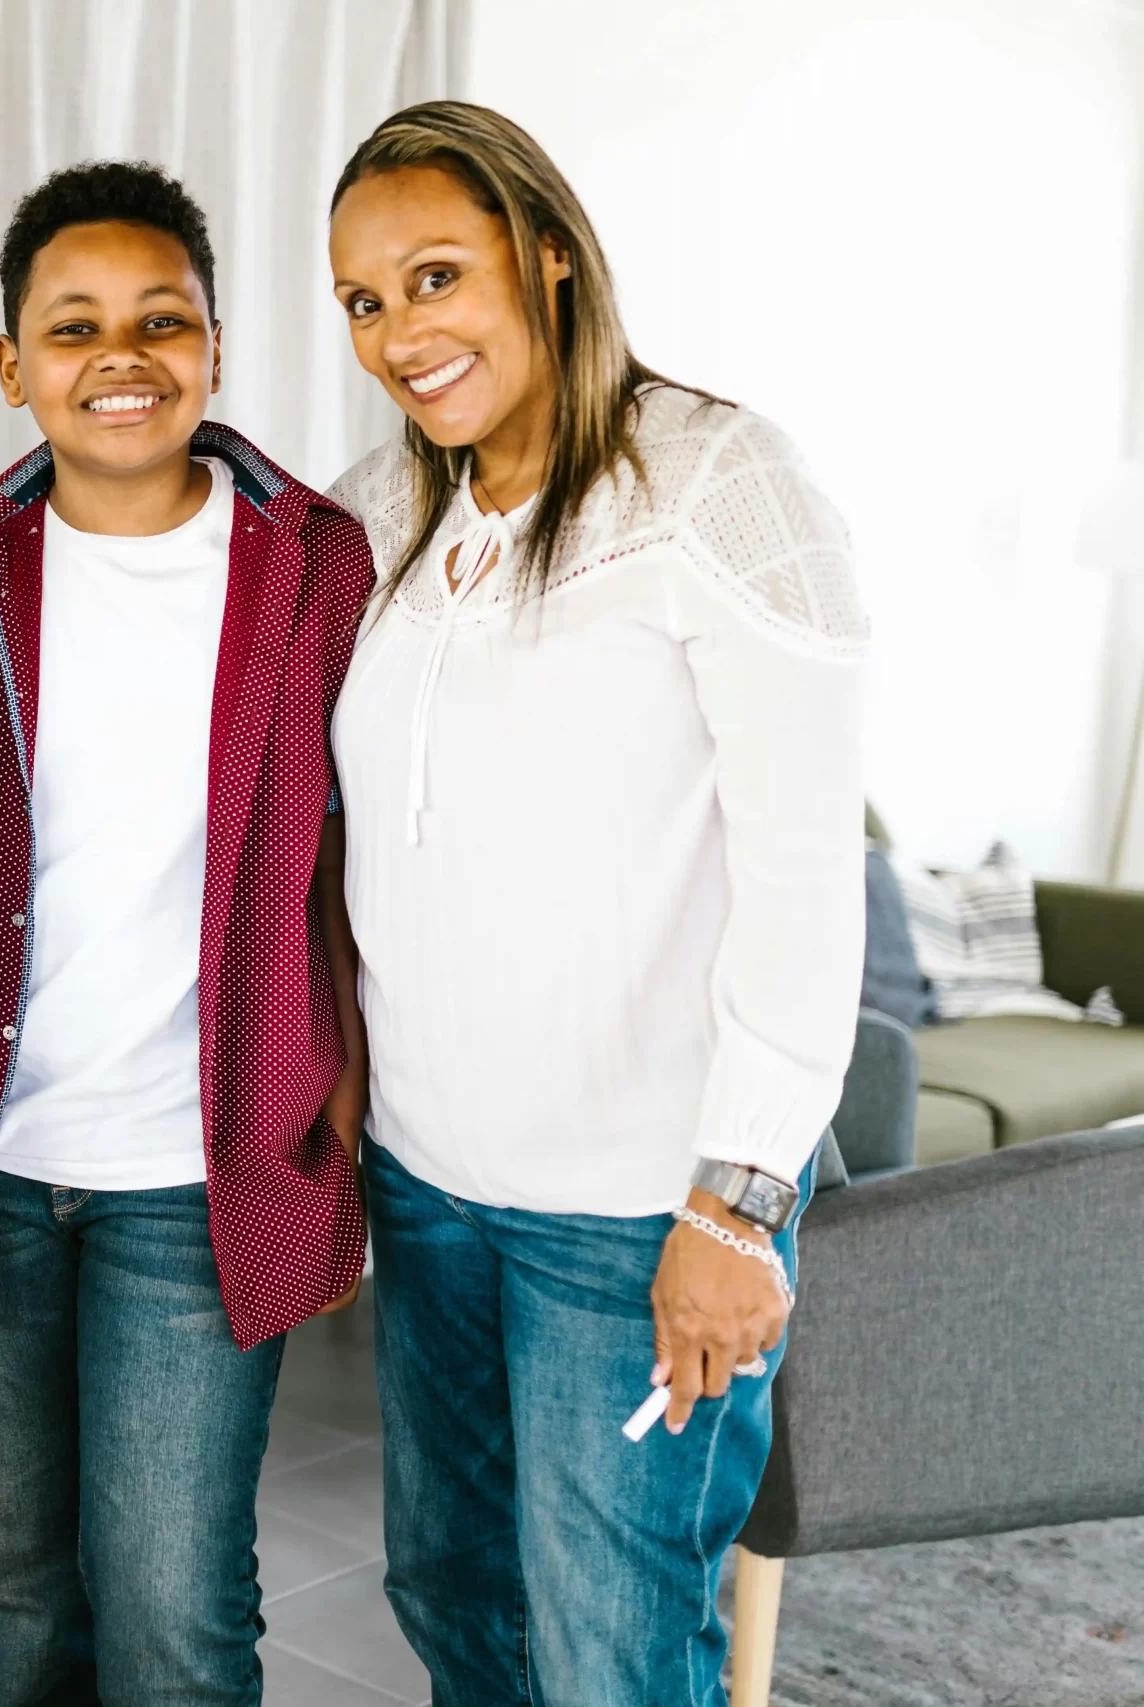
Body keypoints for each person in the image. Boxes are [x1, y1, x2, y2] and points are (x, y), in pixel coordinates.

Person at [0, 161, 374, 1704]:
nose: (121, 355)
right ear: (12, 366)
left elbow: (353, 856)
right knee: (20, 1593)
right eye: (73, 326)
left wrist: (347, 1116)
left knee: (176, 1606)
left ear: (216, 347)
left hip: (200, 1167)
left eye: (160, 320)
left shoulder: (316, 565)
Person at [321, 102, 867, 1704]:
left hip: (636, 1211)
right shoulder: (386, 508)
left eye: (436, 276)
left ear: (547, 254)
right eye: (363, 300)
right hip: (429, 1182)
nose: (400, 333)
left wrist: (738, 1203)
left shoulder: (714, 482)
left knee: (613, 1652)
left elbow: (802, 870)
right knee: (454, 1602)